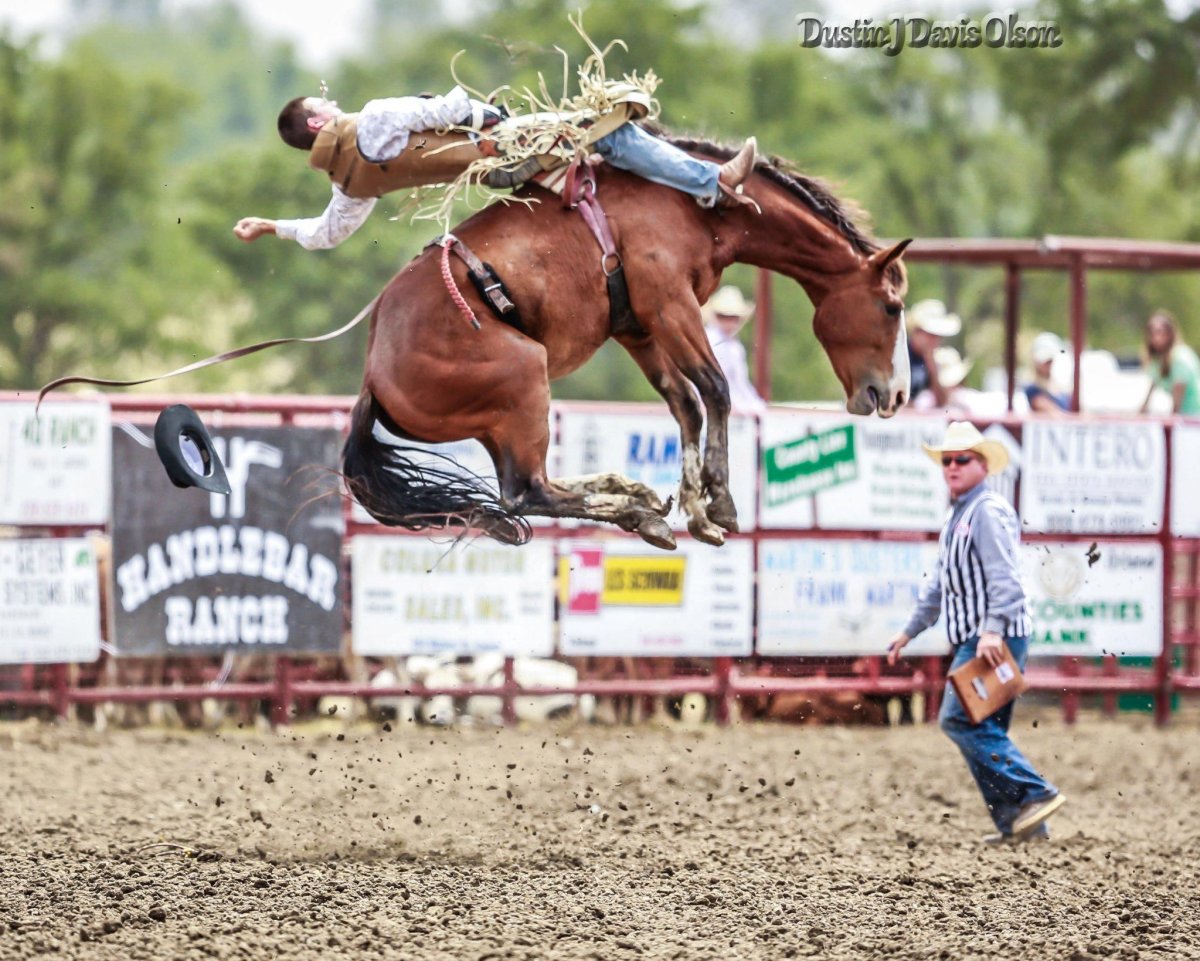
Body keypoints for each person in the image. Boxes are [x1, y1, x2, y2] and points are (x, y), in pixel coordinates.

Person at [233, 89, 759, 250]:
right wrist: (489, 108)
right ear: (318, 118)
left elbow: (328, 234)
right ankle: (711, 184)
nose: (331, 101)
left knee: (601, 149)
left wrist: (271, 225)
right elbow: (445, 110)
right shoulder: (372, 117)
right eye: (322, 101)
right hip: (503, 145)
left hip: (491, 180)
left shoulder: (346, 181)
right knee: (613, 129)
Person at [886, 421, 1066, 845]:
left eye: (961, 459)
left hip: (991, 638)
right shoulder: (961, 514)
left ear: (982, 465)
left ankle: (1035, 792)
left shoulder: (985, 511)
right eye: (947, 460)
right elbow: (939, 585)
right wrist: (908, 631)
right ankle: (1022, 824)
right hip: (985, 636)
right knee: (984, 727)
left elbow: (1006, 579)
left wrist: (992, 632)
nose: (952, 466)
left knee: (958, 720)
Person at [702, 285, 766, 414]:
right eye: (723, 317)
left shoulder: (735, 347)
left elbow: (741, 383)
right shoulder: (709, 340)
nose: (729, 323)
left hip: (733, 408)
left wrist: (757, 405)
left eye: (733, 318)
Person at [1140, 309, 1200, 415]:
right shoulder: (1159, 358)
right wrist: (1143, 408)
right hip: (1185, 416)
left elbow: (1177, 403)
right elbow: (1154, 382)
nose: (1155, 338)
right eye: (1151, 333)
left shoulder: (1180, 358)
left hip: (1194, 416)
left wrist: (1171, 420)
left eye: (1159, 332)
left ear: (1169, 334)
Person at [905, 299, 961, 408]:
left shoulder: (932, 360)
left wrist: (933, 369)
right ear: (916, 331)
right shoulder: (899, 356)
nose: (935, 340)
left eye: (938, 335)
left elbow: (942, 402)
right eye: (931, 334)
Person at [1023, 332, 1070, 414]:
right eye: (1046, 362)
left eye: (1050, 361)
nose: (1049, 365)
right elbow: (1054, 413)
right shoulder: (1033, 389)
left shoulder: (1060, 387)